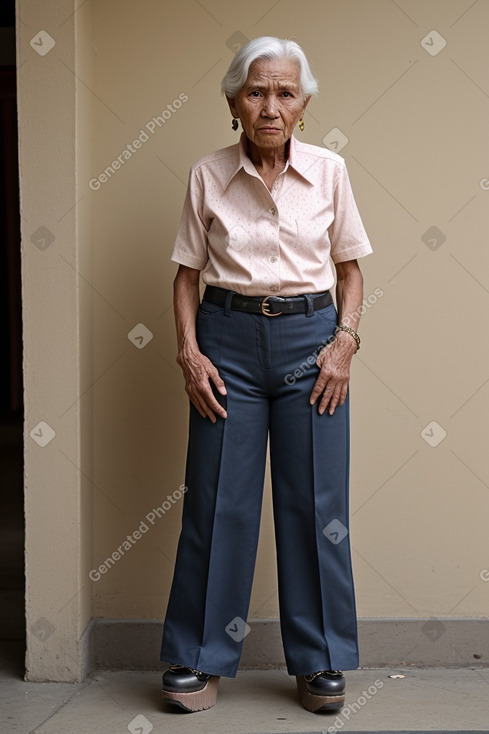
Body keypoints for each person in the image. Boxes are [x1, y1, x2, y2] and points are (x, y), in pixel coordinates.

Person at [160, 35, 372, 714]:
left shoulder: (330, 171)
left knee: (316, 506)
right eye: (256, 92)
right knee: (217, 503)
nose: (270, 106)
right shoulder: (206, 174)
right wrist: (189, 354)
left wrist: (342, 343)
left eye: (284, 93)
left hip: (312, 341)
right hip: (225, 341)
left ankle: (320, 663)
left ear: (302, 103)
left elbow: (349, 271)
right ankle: (197, 656)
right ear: (233, 101)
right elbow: (186, 275)